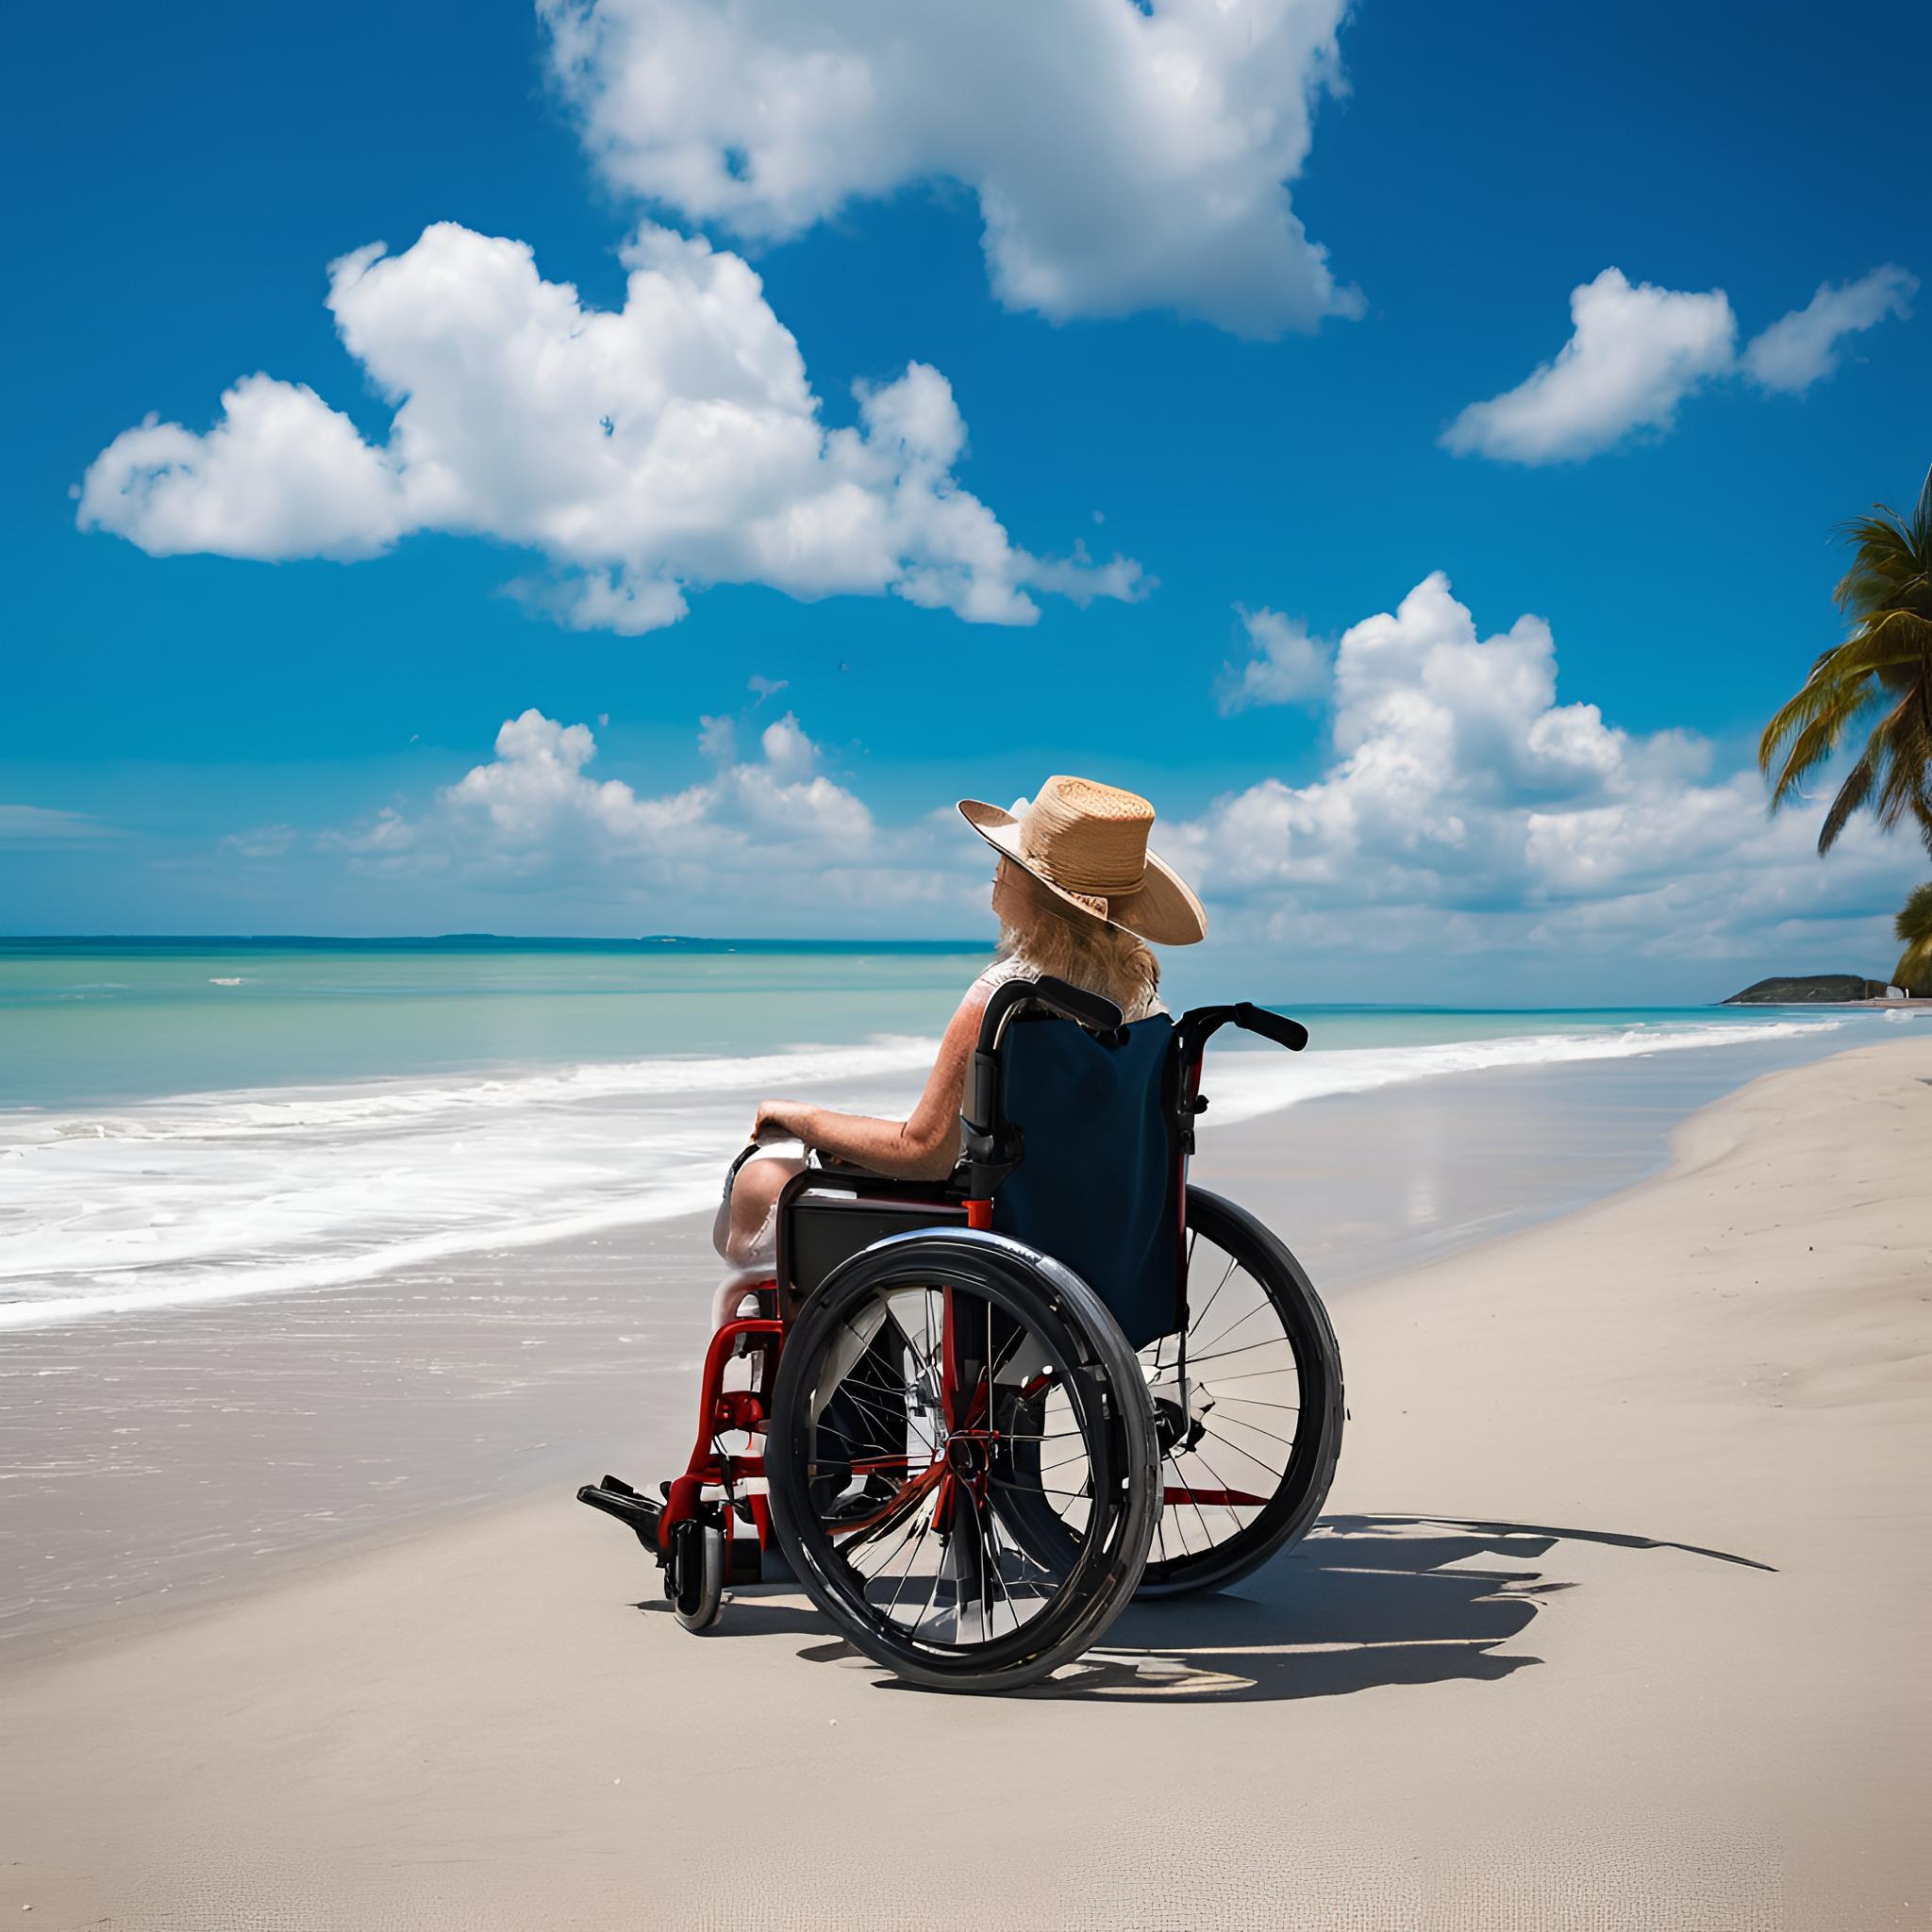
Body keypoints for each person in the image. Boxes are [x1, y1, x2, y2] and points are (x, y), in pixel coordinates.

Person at [710, 774, 1207, 1323]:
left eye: (1008, 862)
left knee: (763, 1180)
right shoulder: (1146, 1010)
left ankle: (824, 1361)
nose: (996, 870)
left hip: (1007, 1238)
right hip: (1101, 1237)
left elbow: (922, 1152)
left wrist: (798, 1117)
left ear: (1038, 890)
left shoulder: (1007, 997)